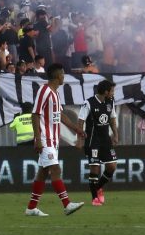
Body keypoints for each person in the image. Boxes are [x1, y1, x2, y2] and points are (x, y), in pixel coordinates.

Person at [24, 63, 86, 217]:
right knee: (56, 170)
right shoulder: (44, 91)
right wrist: (38, 139)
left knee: (43, 173)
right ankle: (67, 204)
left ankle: (31, 208)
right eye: (63, 74)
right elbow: (35, 114)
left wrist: (76, 129)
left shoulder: (56, 94)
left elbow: (61, 115)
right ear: (58, 76)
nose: (64, 77)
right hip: (45, 138)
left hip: (53, 140)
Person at [78, 79, 118, 206]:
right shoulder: (89, 103)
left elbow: (112, 119)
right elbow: (80, 121)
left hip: (105, 139)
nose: (113, 93)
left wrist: (115, 134)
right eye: (111, 91)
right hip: (92, 140)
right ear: (106, 92)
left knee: (112, 167)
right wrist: (80, 139)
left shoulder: (110, 102)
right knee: (95, 168)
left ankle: (98, 187)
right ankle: (95, 198)